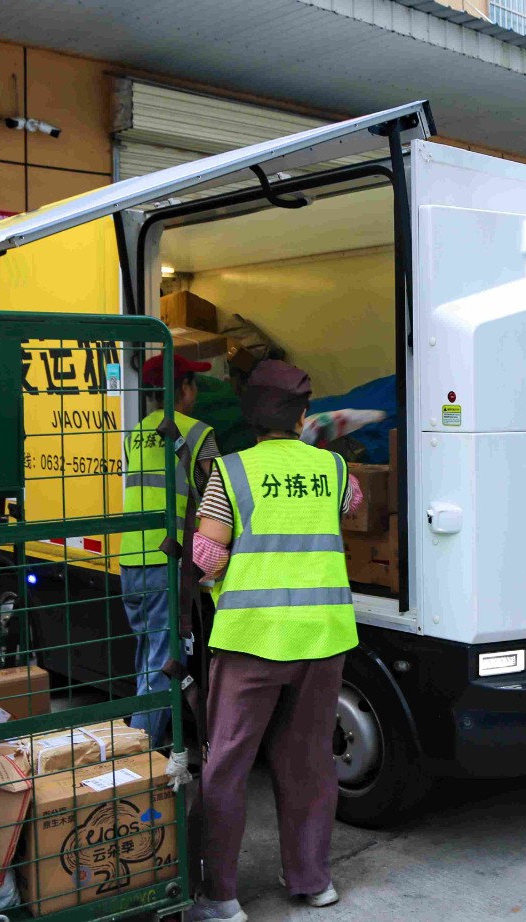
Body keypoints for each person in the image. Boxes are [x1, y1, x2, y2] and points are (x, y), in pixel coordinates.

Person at [186, 360, 365, 922]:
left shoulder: (231, 471)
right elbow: (353, 506)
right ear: (303, 415)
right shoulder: (333, 468)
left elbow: (206, 555)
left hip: (252, 638)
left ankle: (221, 897)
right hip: (323, 638)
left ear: (249, 415)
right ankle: (312, 881)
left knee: (227, 765)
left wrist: (215, 571)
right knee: (309, 760)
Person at [121, 351, 217, 747]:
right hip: (167, 558)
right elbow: (218, 497)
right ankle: (136, 754)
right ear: (185, 389)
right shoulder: (198, 433)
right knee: (164, 664)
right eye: (194, 383)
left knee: (148, 658)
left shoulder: (134, 432)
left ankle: (144, 743)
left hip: (130, 560)